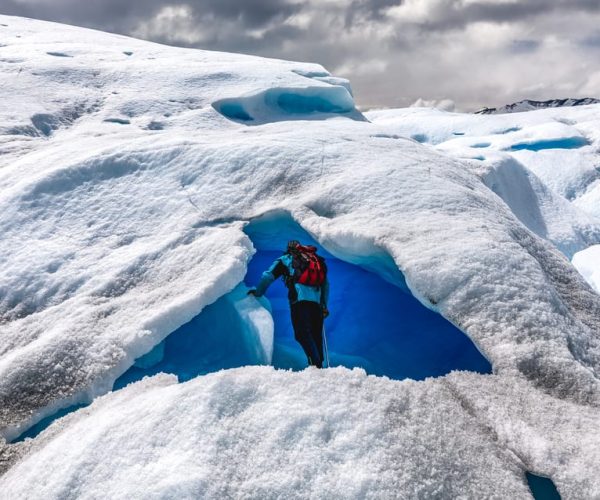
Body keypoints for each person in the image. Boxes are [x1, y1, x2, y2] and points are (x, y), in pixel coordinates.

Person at [248, 240, 329, 368]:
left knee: (302, 334)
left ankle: (316, 366)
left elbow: (268, 276)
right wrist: (324, 305)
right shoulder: (315, 261)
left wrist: (258, 293)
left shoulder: (286, 259)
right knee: (315, 335)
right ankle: (319, 367)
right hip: (317, 305)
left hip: (299, 301)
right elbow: (325, 284)